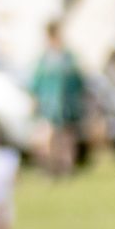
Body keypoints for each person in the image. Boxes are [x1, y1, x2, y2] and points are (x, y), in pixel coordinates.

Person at [27, 22, 86, 176]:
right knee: (48, 137)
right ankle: (50, 167)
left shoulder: (68, 57)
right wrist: (35, 101)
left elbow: (78, 80)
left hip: (67, 105)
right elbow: (36, 83)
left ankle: (67, 167)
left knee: (67, 138)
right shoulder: (44, 59)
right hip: (49, 106)